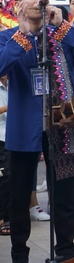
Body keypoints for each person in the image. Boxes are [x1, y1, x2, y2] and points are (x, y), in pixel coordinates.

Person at [0, 0, 74, 263]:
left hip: (62, 125)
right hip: (24, 127)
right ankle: (19, 254)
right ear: (19, 4)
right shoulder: (8, 37)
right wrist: (22, 33)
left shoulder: (60, 33)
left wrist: (63, 25)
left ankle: (65, 251)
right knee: (19, 197)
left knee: (65, 194)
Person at [0, 75, 9, 236]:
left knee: (11, 178)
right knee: (4, 178)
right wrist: (10, 106)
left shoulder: (13, 85)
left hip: (14, 137)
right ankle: (3, 218)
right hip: (0, 137)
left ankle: (8, 216)